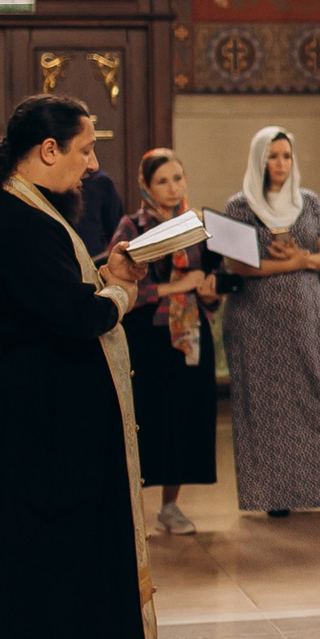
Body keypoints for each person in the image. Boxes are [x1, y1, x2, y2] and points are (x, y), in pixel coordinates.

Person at [0, 95, 156, 639]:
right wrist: (122, 292)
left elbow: (55, 294)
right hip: (41, 412)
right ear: (47, 151)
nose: (93, 163)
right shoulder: (17, 219)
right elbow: (71, 315)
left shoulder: (30, 211)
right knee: (45, 559)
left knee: (71, 556)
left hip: (50, 405)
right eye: (84, 149)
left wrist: (104, 272)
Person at [218, 127, 320, 519]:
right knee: (268, 406)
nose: (281, 164)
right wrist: (296, 261)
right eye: (273, 156)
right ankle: (276, 494)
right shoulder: (239, 206)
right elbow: (238, 267)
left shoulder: (310, 203)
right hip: (254, 321)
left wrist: (302, 259)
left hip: (304, 318)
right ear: (259, 160)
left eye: (286, 155)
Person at [108, 149, 224, 536]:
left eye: (178, 178)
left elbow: (210, 282)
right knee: (146, 418)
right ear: (145, 185)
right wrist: (177, 285)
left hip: (189, 333)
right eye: (162, 181)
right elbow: (124, 287)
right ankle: (131, 509)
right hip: (148, 335)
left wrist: (209, 292)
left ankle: (171, 506)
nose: (172, 188)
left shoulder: (197, 226)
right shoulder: (132, 227)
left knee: (185, 417)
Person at [74, 160, 127, 256]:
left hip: (93, 263)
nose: (94, 165)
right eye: (85, 151)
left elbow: (116, 234)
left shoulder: (101, 182)